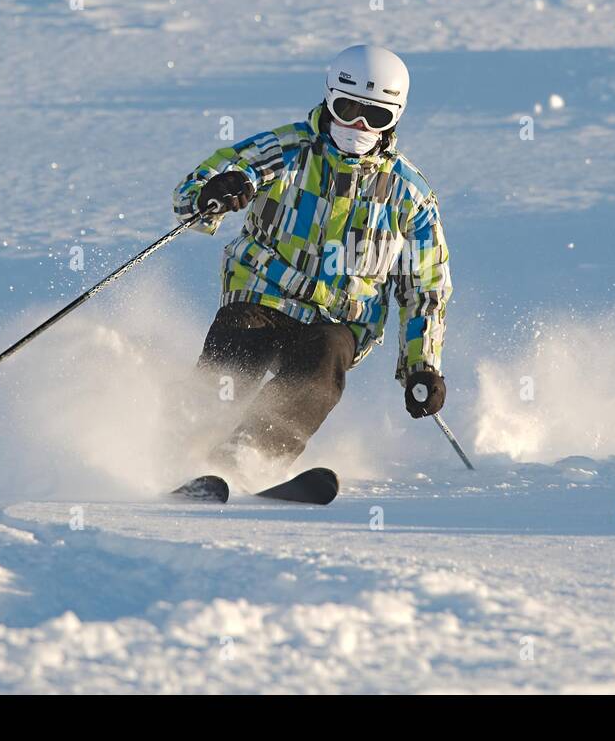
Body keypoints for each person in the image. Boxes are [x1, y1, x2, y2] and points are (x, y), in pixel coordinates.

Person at [173, 44, 452, 468]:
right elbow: (202, 185)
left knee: (322, 368)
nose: (357, 124)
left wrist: (422, 366)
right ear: (328, 99)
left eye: (375, 116)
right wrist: (213, 192)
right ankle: (181, 439)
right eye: (346, 108)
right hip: (263, 295)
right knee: (236, 350)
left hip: (338, 319)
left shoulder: (408, 194)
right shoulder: (287, 150)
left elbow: (424, 289)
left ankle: (250, 453)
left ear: (395, 118)